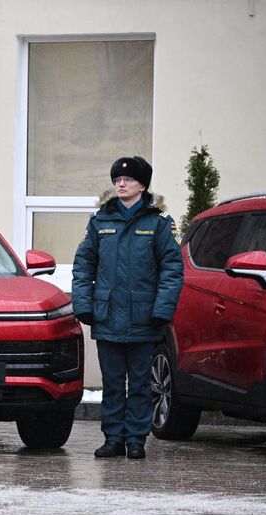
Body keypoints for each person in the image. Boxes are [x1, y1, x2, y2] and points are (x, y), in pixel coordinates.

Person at [71, 155, 183, 460]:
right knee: (112, 383)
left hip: (144, 317)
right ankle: (113, 438)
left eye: (128, 180)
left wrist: (162, 309)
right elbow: (84, 265)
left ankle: (136, 439)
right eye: (117, 180)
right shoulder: (100, 221)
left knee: (140, 383)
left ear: (142, 185)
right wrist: (83, 304)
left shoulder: (158, 222)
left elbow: (172, 269)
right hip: (107, 316)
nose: (120, 184)